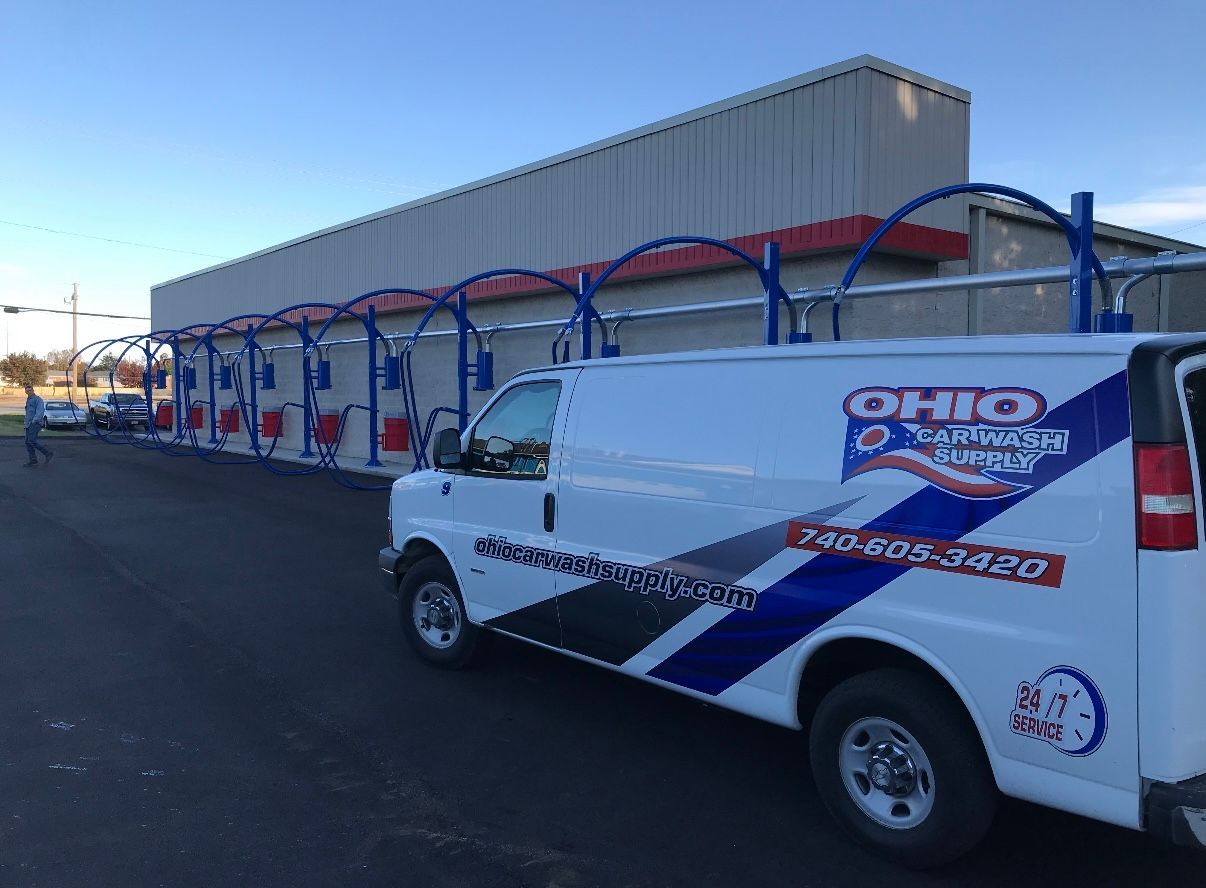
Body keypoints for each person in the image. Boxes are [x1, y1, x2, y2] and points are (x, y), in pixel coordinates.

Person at [22, 384, 53, 467]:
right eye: (27, 391)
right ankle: (33, 460)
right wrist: (26, 423)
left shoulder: (38, 400)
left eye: (30, 390)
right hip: (28, 424)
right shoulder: (28, 400)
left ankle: (47, 453)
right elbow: (28, 412)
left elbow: (40, 411)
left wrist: (34, 420)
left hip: (35, 423)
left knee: (31, 440)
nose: (28, 392)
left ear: (33, 390)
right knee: (27, 442)